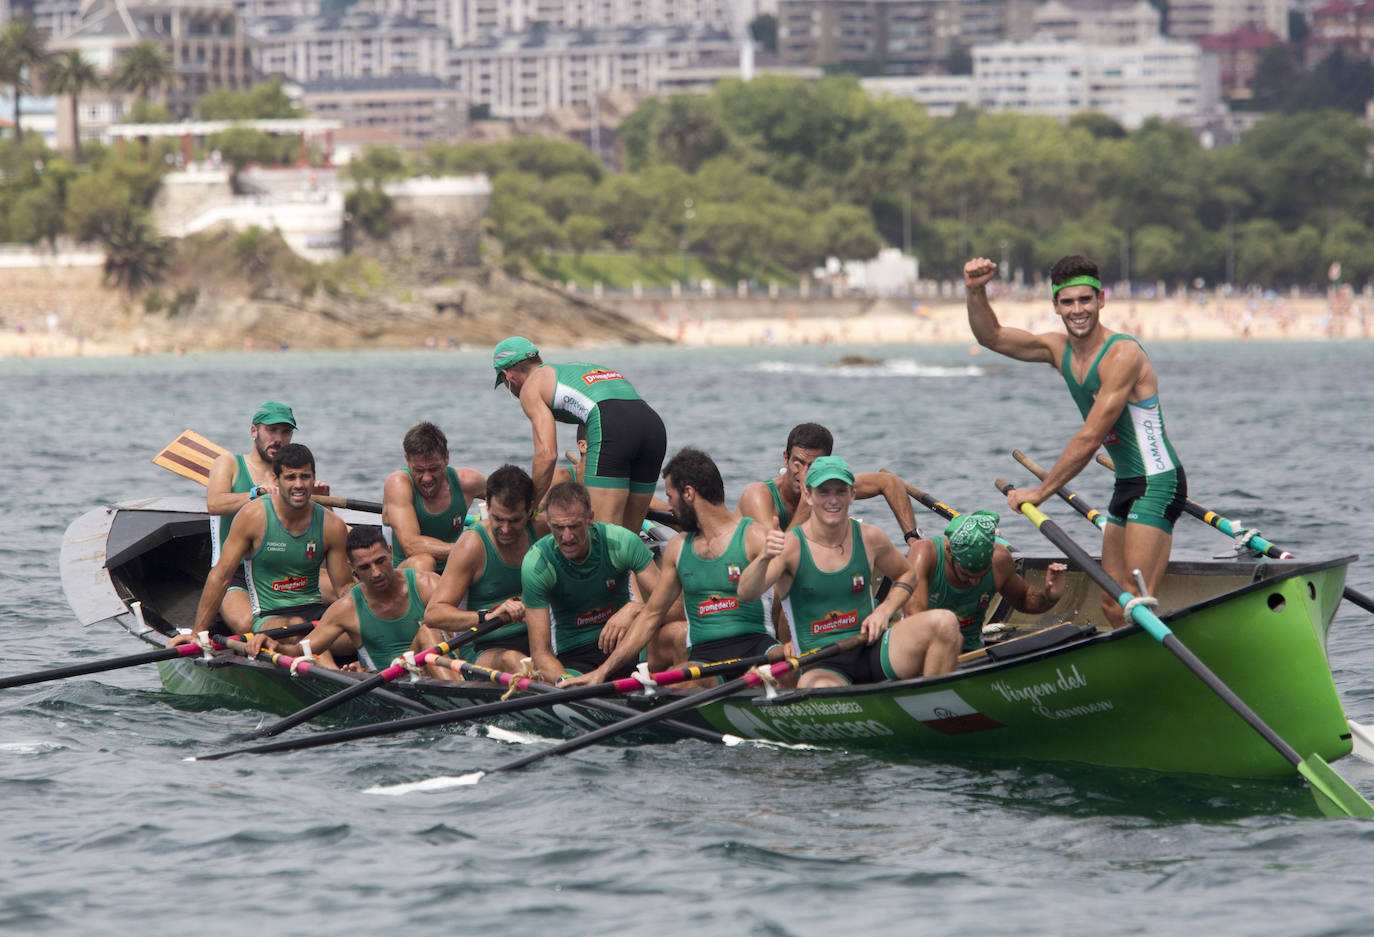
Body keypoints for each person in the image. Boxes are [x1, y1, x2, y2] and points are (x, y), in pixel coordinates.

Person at [965, 254, 1186, 627]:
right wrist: (975, 291)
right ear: (1055, 306)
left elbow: (1091, 437)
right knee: (1112, 601)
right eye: (1068, 302)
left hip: (1157, 482)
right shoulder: (1057, 350)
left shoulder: (1121, 354)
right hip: (1127, 482)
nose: (1077, 310)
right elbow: (992, 336)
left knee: (1134, 603)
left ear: (1101, 300)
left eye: (1085, 300)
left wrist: (1040, 493)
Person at [737, 456, 959, 688]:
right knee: (820, 688)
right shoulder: (790, 547)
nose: (833, 500)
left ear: (852, 494)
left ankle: (933, 704)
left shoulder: (870, 537)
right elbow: (746, 593)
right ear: (809, 495)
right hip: (821, 663)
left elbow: (907, 575)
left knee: (945, 622)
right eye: (824, 492)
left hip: (871, 648)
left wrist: (884, 611)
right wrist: (764, 557)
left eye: (840, 491)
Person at [559, 448, 768, 690]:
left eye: (670, 496)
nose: (668, 507)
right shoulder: (678, 549)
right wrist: (602, 672)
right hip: (706, 659)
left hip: (760, 650)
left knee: (788, 674)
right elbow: (651, 616)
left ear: (688, 493)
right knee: (677, 684)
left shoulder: (754, 536)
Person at [737, 422, 922, 637]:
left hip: (788, 581)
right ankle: (788, 648)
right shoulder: (758, 495)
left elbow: (889, 482)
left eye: (813, 465)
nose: (803, 472)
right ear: (785, 458)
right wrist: (808, 500)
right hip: (750, 584)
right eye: (798, 462)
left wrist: (912, 538)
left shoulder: (828, 488)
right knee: (790, 578)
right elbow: (779, 555)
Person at [169, 443, 351, 648]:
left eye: (305, 477)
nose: (299, 485)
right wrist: (198, 633)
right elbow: (221, 576)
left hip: (313, 611)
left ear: (313, 477)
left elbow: (344, 587)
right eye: (291, 477)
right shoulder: (252, 516)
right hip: (270, 616)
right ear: (275, 479)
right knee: (300, 630)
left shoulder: (332, 525)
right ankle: (330, 667)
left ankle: (350, 666)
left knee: (359, 631)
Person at [491, 336, 667, 534]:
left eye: (505, 384)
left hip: (612, 425)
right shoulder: (575, 368)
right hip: (654, 427)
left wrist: (530, 506)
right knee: (629, 538)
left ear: (508, 376)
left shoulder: (532, 386)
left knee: (605, 536)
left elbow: (547, 454)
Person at [521, 480, 665, 682]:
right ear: (549, 523)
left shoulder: (620, 542)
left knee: (677, 634)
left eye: (574, 526)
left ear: (590, 518)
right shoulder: (538, 562)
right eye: (559, 528)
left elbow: (674, 607)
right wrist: (565, 682)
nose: (567, 537)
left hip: (629, 643)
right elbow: (541, 654)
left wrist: (635, 609)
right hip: (576, 657)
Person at [423, 464, 546, 676]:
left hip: (539, 636)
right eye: (498, 519)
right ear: (487, 505)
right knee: (515, 661)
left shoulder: (543, 531)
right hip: (485, 645)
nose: (506, 530)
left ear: (529, 509)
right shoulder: (471, 545)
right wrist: (487, 617)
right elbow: (434, 614)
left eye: (515, 520)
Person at [283, 525, 442, 670]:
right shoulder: (346, 608)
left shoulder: (428, 585)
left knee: (428, 633)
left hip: (439, 674)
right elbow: (300, 651)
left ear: (390, 552)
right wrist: (272, 646)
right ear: (352, 567)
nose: (376, 573)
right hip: (390, 689)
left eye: (380, 561)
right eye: (365, 567)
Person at [906, 510, 1067, 652]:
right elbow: (914, 619)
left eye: (982, 575)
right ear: (950, 556)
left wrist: (1049, 597)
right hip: (922, 650)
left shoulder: (1000, 559)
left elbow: (1023, 600)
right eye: (967, 575)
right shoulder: (925, 554)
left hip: (971, 651)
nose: (975, 582)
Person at [205, 401, 301, 635]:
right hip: (232, 571)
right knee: (248, 624)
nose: (278, 438)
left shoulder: (293, 475)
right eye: (271, 430)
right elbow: (215, 504)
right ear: (254, 431)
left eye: (285, 432)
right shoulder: (228, 464)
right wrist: (258, 493)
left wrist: (315, 501)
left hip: (278, 569)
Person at [382, 421, 486, 573]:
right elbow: (412, 545)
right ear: (407, 459)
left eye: (434, 469)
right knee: (424, 562)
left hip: (456, 570)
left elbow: (511, 500)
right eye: (418, 470)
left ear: (447, 458)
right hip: (411, 574)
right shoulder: (398, 484)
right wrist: (467, 548)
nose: (427, 479)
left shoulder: (469, 481)